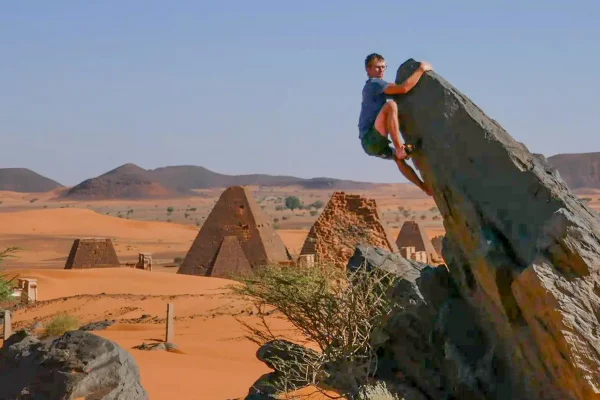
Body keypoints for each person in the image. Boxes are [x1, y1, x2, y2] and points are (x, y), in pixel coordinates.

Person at [358, 53, 432, 195]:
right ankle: (400, 148)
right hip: (370, 137)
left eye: (384, 67)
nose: (381, 70)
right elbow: (403, 88)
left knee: (399, 161)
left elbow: (399, 91)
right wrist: (421, 69)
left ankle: (425, 189)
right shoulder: (375, 84)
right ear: (368, 69)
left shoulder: (376, 87)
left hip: (372, 145)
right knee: (391, 106)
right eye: (377, 67)